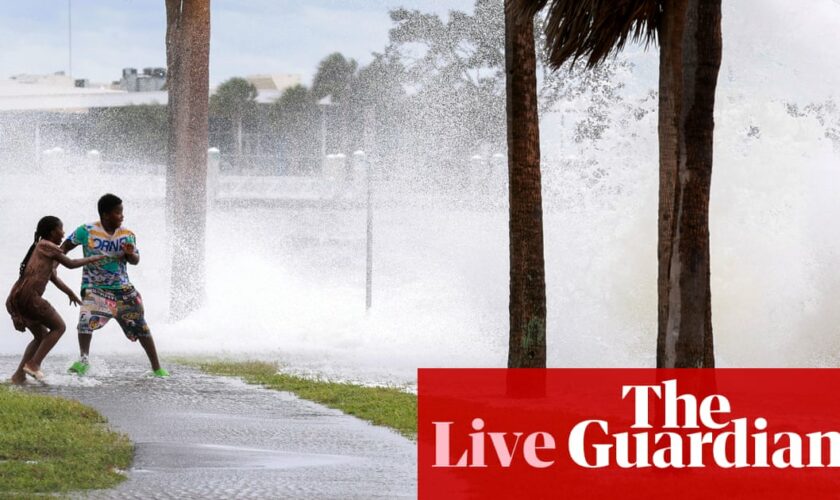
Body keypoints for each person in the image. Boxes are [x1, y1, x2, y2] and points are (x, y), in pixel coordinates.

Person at [61, 193, 169, 377]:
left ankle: (157, 368)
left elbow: (135, 260)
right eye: (118, 212)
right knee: (85, 321)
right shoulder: (86, 230)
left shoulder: (127, 235)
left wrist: (129, 254)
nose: (122, 216)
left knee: (141, 327)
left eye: (122, 212)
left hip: (123, 289)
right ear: (105, 215)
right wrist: (53, 265)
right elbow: (63, 248)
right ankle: (83, 361)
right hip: (95, 287)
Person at [6, 216, 105, 382]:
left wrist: (70, 293)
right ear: (52, 232)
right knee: (59, 327)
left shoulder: (41, 250)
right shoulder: (48, 245)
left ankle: (18, 376)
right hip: (30, 298)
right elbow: (71, 263)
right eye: (61, 229)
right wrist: (93, 258)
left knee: (40, 336)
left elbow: (53, 277)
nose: (63, 233)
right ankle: (33, 364)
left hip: (17, 298)